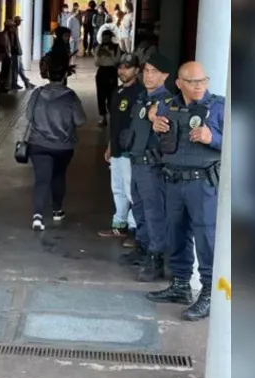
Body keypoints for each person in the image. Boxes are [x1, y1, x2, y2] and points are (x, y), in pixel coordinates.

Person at [146, 61, 225, 321]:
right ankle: (181, 285)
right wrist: (156, 128)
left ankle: (210, 292)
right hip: (174, 182)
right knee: (176, 233)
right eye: (192, 82)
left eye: (203, 80)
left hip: (202, 184)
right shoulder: (168, 106)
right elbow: (165, 142)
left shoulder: (219, 107)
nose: (199, 86)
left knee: (206, 238)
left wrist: (211, 138)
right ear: (179, 84)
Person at [122, 53, 173, 281]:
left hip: (152, 166)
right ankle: (142, 247)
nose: (149, 75)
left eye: (154, 72)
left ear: (165, 76)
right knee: (139, 208)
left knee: (154, 212)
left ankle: (156, 258)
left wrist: (155, 120)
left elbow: (169, 134)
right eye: (146, 71)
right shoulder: (143, 97)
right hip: (136, 161)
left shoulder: (167, 103)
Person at [25, 53, 86, 231]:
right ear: (65, 75)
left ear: (48, 74)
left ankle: (37, 216)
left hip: (38, 144)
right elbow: (80, 120)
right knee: (58, 176)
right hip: (63, 146)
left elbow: (29, 116)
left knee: (41, 179)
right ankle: (57, 210)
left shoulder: (37, 93)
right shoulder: (70, 96)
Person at [98, 52, 144, 246]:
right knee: (117, 188)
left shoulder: (140, 94)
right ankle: (119, 224)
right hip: (116, 148)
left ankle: (135, 229)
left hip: (129, 150)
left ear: (137, 70)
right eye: (121, 67)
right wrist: (109, 145)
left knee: (130, 190)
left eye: (127, 67)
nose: (123, 71)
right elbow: (115, 123)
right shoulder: (116, 92)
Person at [93, 29, 121, 126]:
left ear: (110, 37)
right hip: (101, 71)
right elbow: (96, 63)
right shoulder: (98, 47)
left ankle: (113, 117)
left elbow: (117, 62)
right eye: (103, 36)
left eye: (106, 36)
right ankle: (103, 117)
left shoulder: (116, 47)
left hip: (111, 72)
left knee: (112, 95)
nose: (105, 38)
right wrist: (100, 56)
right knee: (101, 95)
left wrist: (109, 55)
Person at [13, 16, 36, 89]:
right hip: (15, 52)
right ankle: (18, 83)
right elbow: (14, 42)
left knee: (20, 68)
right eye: (19, 21)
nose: (20, 22)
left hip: (17, 52)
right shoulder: (13, 29)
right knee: (17, 69)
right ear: (16, 21)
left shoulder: (15, 29)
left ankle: (26, 82)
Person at [0, 20, 17, 92]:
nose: (12, 28)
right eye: (11, 26)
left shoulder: (6, 34)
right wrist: (7, 56)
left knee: (6, 72)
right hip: (5, 56)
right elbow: (3, 46)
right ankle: (1, 86)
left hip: (7, 55)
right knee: (4, 72)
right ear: (7, 27)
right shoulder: (3, 35)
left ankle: (4, 86)